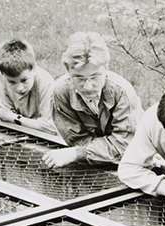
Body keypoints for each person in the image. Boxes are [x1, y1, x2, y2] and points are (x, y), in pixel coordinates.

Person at [43, 31, 142, 169]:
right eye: (79, 78)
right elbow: (77, 141)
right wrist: (88, 152)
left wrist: (78, 153)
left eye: (95, 76)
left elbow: (125, 145)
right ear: (68, 71)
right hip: (91, 164)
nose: (88, 86)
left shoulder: (122, 92)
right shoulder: (61, 93)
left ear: (106, 67)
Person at [0, 39, 55, 134]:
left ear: (34, 68)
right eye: (12, 82)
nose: (19, 88)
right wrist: (8, 116)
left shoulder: (46, 83)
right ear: (3, 74)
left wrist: (14, 118)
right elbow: (3, 115)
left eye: (24, 80)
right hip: (18, 133)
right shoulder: (1, 77)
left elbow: (50, 127)